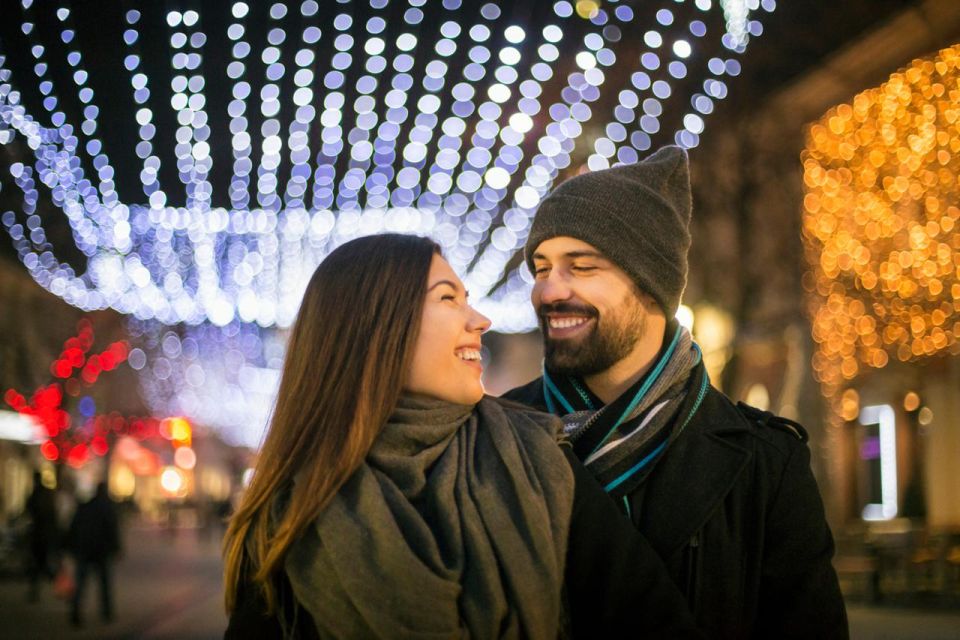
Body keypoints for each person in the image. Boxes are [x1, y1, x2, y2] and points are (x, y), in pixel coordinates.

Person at [222, 233, 701, 639]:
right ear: (376, 325)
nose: (481, 320)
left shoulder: (536, 456)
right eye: (448, 298)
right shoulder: (289, 520)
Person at [503, 146, 849, 639]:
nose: (549, 291)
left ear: (651, 286)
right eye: (541, 267)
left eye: (581, 266)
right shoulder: (497, 432)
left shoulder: (764, 463)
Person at [66, 480, 120, 626]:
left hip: (84, 549)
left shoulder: (85, 506)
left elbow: (73, 526)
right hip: (100, 551)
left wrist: (69, 547)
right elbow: (112, 530)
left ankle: (76, 613)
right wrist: (116, 548)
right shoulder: (107, 508)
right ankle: (106, 613)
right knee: (103, 583)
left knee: (81, 583)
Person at [25, 470, 59, 601]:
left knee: (39, 563)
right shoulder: (45, 494)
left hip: (40, 535)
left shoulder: (38, 495)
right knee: (41, 563)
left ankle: (38, 589)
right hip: (44, 535)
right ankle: (38, 589)